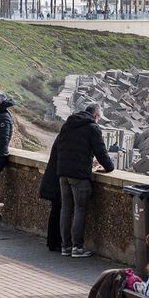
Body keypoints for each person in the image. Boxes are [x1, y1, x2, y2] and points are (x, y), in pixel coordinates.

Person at [50, 103, 115, 258]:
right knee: (80, 209)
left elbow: (64, 147)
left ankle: (65, 246)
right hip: (78, 175)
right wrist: (109, 167)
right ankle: (77, 247)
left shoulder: (68, 125)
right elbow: (101, 152)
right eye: (99, 118)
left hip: (63, 172)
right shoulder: (93, 128)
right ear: (96, 116)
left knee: (66, 209)